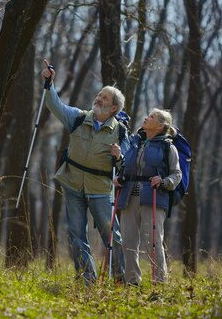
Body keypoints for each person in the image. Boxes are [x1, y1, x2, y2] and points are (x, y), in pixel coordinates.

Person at [42, 59, 128, 285]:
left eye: (105, 98)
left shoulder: (119, 133)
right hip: (73, 185)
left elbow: (125, 167)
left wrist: (119, 157)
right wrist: (49, 85)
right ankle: (86, 280)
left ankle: (120, 280)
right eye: (99, 94)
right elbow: (56, 106)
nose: (98, 98)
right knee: (77, 236)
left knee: (112, 237)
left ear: (113, 109)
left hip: (100, 190)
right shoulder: (79, 117)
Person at [113, 108, 182, 285]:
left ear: (160, 126)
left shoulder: (168, 147)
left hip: (153, 197)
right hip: (128, 196)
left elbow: (176, 174)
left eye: (151, 117)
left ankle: (159, 282)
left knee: (153, 242)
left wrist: (164, 181)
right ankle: (132, 281)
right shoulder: (135, 143)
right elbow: (126, 167)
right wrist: (120, 177)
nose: (146, 118)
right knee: (128, 241)